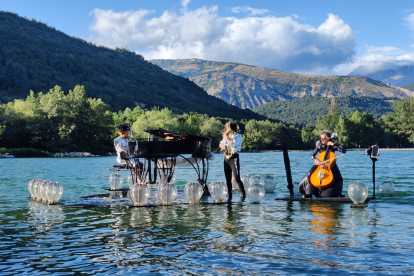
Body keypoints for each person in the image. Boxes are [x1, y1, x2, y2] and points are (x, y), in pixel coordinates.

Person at [299, 130, 346, 198]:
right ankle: (305, 191)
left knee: (338, 177)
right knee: (309, 174)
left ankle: (338, 192)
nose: (321, 140)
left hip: (330, 165)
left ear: (327, 139)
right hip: (320, 164)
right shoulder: (319, 145)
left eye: (323, 139)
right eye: (321, 138)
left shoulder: (332, 145)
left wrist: (333, 145)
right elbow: (312, 155)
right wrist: (315, 159)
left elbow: (344, 150)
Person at [219, 121, 246, 200]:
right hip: (226, 158)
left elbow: (234, 146)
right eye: (226, 127)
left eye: (228, 127)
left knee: (237, 177)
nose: (226, 129)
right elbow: (220, 144)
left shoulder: (237, 136)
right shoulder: (227, 136)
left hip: (234, 157)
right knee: (227, 178)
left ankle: (243, 194)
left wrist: (227, 138)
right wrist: (223, 145)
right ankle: (230, 195)